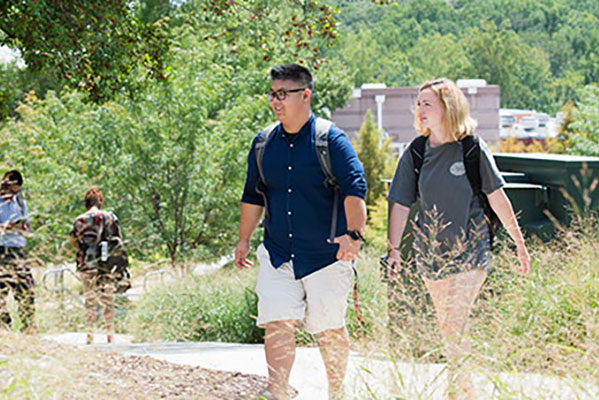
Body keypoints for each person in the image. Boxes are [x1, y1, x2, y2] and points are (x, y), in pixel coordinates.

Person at [386, 78, 531, 400]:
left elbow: (497, 197)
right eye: (419, 103)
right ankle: (463, 390)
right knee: (450, 327)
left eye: (428, 104)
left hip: (472, 250)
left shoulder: (471, 148)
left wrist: (519, 243)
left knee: (454, 320)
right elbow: (399, 203)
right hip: (430, 253)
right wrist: (394, 250)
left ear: (448, 108)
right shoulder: (416, 152)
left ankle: (461, 393)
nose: (420, 110)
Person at [235, 64, 367, 400]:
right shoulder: (264, 143)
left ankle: (337, 393)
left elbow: (355, 189)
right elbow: (253, 194)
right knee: (277, 324)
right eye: (272, 94)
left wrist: (354, 236)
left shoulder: (330, 140)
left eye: (283, 94)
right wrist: (244, 240)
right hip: (278, 252)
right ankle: (278, 392)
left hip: (327, 255)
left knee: (329, 329)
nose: (275, 101)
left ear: (305, 95)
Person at [70, 187, 123, 344]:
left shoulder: (79, 220)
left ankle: (90, 333)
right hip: (105, 265)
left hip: (86, 264)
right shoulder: (110, 218)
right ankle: (110, 333)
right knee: (108, 299)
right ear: (100, 201)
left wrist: (84, 249)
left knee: (89, 299)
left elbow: (73, 241)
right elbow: (119, 241)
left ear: (86, 203)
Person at [0, 170, 35, 332]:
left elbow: (28, 228)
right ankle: (3, 324)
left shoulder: (20, 202)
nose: (14, 194)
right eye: (12, 190)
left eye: (17, 191)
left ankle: (28, 324)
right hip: (2, 249)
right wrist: (8, 227)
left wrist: (24, 227)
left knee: (25, 288)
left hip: (19, 249)